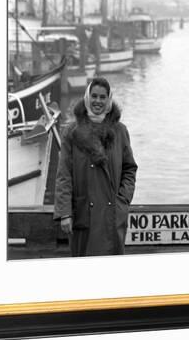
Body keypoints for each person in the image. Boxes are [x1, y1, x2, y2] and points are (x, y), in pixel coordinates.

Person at [53, 77, 137, 256]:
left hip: (112, 215)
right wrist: (65, 213)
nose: (98, 101)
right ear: (87, 97)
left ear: (109, 99)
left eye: (103, 97)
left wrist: (122, 200)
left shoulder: (120, 131)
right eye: (94, 96)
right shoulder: (72, 132)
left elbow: (130, 169)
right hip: (83, 213)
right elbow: (64, 175)